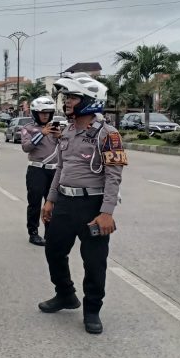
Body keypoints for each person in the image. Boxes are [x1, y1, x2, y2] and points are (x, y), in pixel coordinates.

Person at [39, 73, 126, 335]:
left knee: (94, 262)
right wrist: (51, 200)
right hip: (65, 202)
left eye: (73, 97)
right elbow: (60, 168)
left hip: (93, 206)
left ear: (90, 100)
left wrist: (107, 212)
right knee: (53, 250)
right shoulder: (67, 131)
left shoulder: (108, 135)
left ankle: (92, 310)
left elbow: (114, 175)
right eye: (67, 97)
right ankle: (65, 294)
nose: (67, 102)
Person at [20, 96, 60, 247]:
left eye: (48, 113)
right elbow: (26, 147)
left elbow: (66, 147)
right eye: (42, 112)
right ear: (35, 113)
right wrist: (42, 133)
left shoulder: (56, 128)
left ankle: (50, 233)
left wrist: (60, 136)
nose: (45, 115)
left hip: (54, 170)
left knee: (52, 203)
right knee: (35, 203)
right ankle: (33, 233)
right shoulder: (28, 128)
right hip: (37, 170)